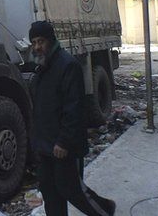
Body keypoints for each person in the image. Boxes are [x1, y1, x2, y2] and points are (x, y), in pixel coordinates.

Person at [29, 21, 115, 216]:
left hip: (63, 147)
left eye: (40, 41)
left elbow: (74, 108)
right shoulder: (41, 68)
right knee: (51, 194)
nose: (37, 47)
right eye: (34, 42)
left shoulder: (68, 65)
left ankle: (106, 210)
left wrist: (64, 141)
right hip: (45, 146)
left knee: (73, 191)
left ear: (50, 40)